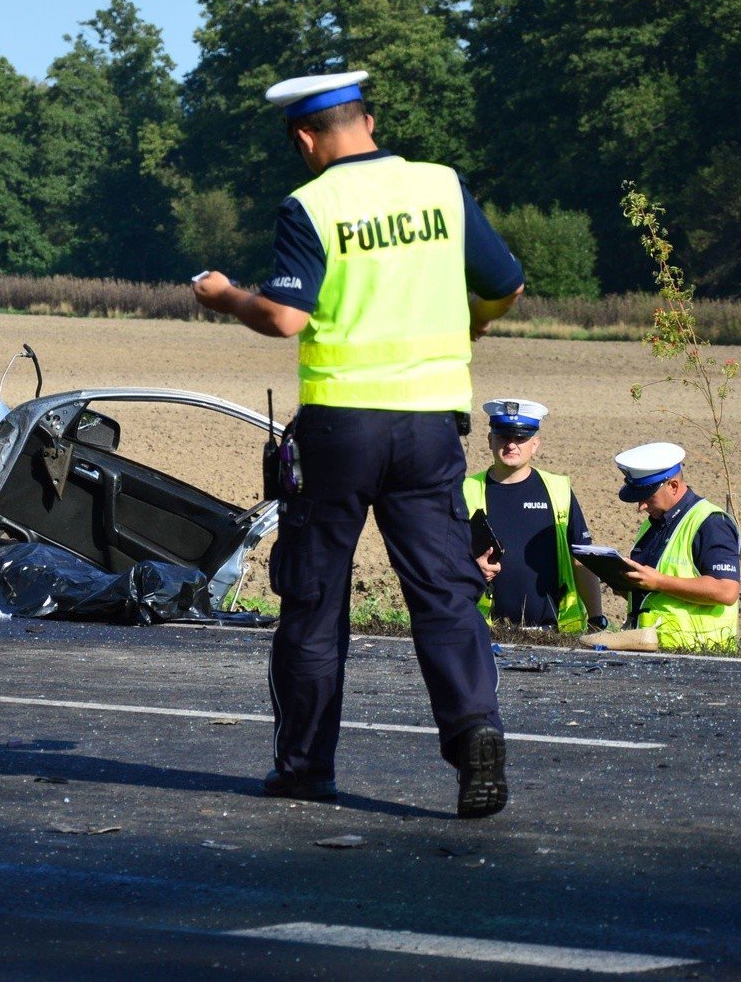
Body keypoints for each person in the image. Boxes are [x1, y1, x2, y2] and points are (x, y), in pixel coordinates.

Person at [192, 70, 525, 819]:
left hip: (343, 424)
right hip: (431, 425)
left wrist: (224, 297)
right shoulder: (441, 187)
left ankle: (306, 765)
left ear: (306, 138)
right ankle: (475, 730)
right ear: (368, 120)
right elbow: (507, 283)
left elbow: (283, 317)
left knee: (314, 598)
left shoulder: (313, 204)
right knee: (443, 589)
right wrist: (469, 323)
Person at [580, 443, 741, 652]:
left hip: (699, 655)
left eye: (648, 497)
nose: (641, 507)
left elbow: (726, 590)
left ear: (673, 486)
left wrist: (658, 582)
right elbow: (656, 590)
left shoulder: (711, 523)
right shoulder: (652, 523)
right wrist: (626, 584)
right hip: (650, 649)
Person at [465, 398, 605, 633]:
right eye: (503, 437)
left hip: (555, 632)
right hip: (483, 631)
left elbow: (581, 557)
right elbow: (441, 558)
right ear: (490, 440)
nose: (512, 445)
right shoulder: (465, 491)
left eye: (520, 438)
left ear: (535, 444)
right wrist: (469, 570)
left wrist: (597, 618)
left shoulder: (558, 490)